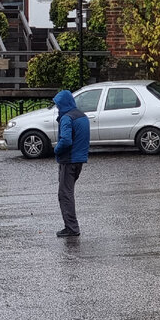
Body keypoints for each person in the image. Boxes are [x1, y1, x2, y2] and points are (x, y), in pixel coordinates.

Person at [52, 89, 90, 237]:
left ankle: (71, 228)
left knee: (65, 194)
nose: (57, 108)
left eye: (58, 105)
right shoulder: (82, 116)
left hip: (68, 160)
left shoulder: (67, 118)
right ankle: (71, 227)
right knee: (68, 192)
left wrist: (56, 149)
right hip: (79, 160)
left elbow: (66, 140)